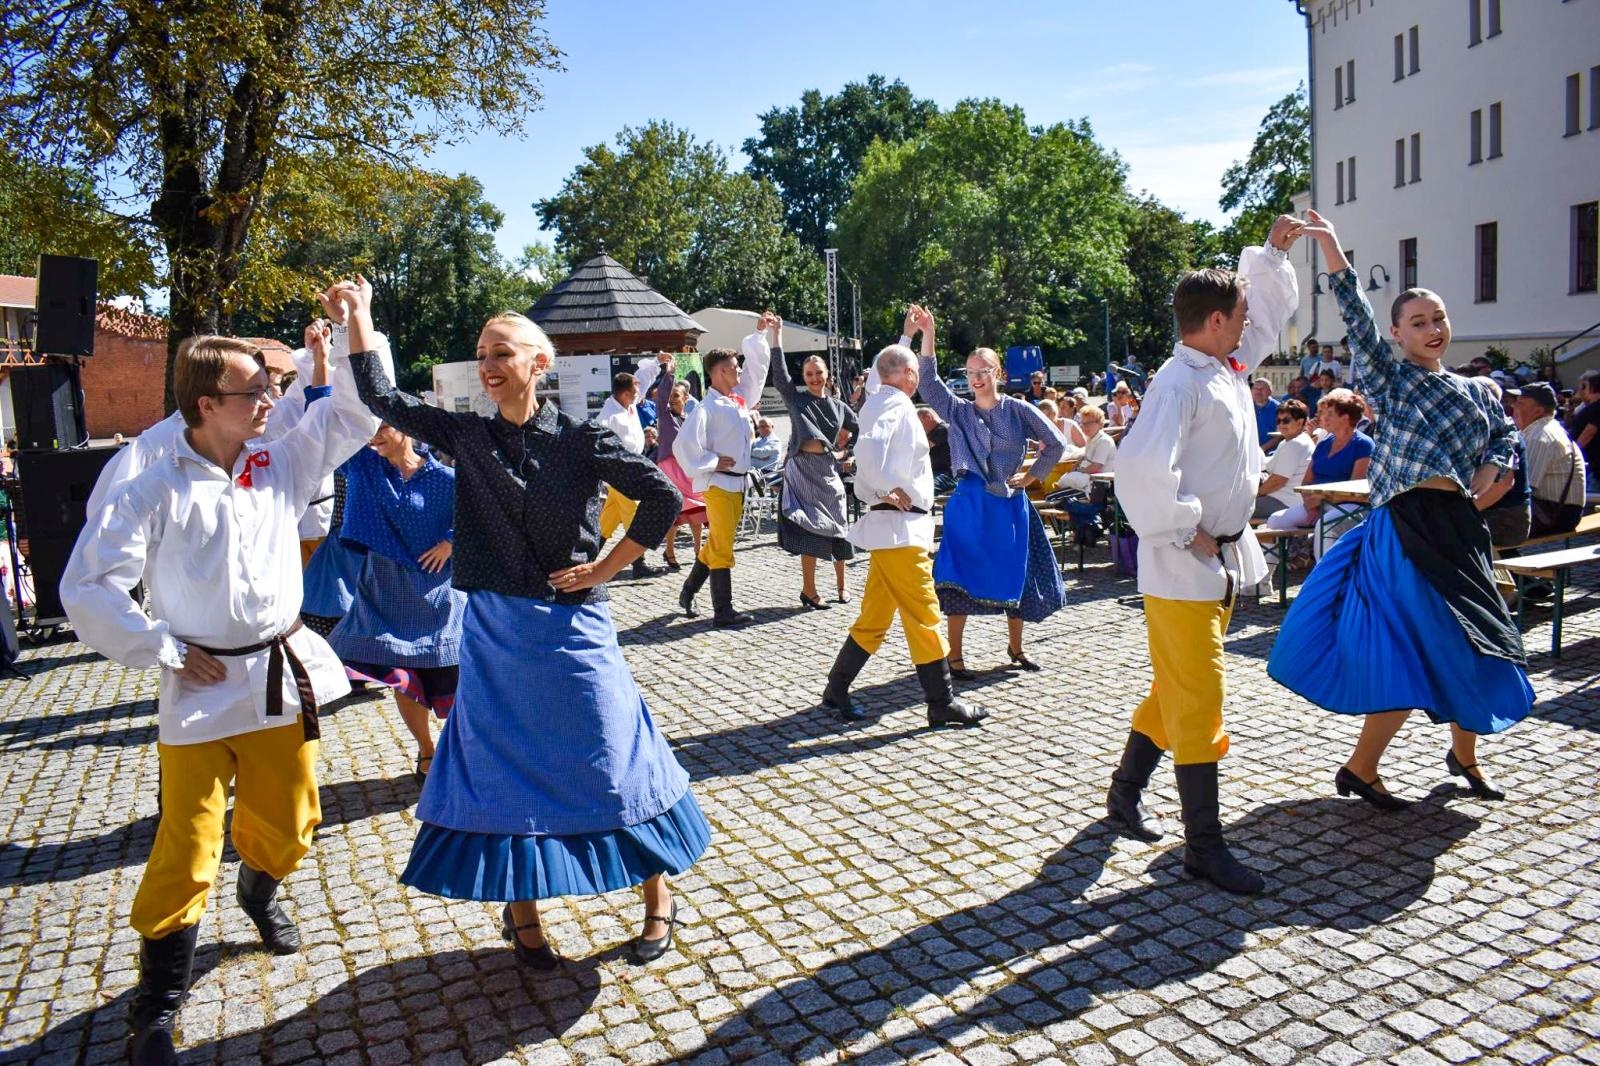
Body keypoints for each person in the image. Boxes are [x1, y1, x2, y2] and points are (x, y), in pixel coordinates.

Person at [60, 296, 393, 1063]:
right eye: (256, 392)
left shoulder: (281, 455)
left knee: (291, 827)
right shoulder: (151, 478)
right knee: (189, 840)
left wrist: (356, 325)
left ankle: (259, 889)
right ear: (209, 404)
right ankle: (157, 1006)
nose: (272, 400)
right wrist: (161, 646)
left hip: (278, 673)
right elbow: (90, 583)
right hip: (201, 686)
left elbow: (354, 411)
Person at [343, 284, 711, 970]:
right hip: (491, 631)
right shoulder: (467, 435)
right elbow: (384, 400)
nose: (487, 363)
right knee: (504, 770)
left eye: (501, 351)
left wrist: (608, 565)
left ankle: (658, 897)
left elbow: (661, 496)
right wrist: (360, 320)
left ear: (538, 363)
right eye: (481, 353)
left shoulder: (580, 439)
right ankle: (524, 918)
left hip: (573, 628)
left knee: (614, 756)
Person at [1268, 211, 1534, 811]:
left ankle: (1463, 755)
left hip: (1458, 530)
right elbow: (1356, 316)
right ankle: (1362, 768)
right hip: (1404, 529)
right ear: (1398, 335)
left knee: (1477, 640)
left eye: (1438, 318)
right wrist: (1333, 249)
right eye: (1418, 322)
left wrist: (1487, 477)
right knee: (1411, 645)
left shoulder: (1474, 391)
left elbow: (1504, 437)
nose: (1432, 328)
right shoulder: (1390, 381)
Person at [1108, 215, 1302, 896]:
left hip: (1212, 561)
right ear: (1216, 321)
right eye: (1239, 314)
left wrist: (1273, 253)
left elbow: (1266, 314)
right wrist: (1187, 525)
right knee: (1202, 699)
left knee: (1179, 689)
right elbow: (1136, 471)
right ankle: (1205, 845)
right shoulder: (1179, 382)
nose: (1248, 325)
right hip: (1182, 565)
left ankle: (1124, 792)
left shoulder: (1219, 365)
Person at [819, 342, 988, 728]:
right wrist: (881, 487)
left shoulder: (881, 398)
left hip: (893, 531)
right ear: (909, 376)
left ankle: (836, 688)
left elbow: (887, 365)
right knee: (924, 613)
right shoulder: (894, 404)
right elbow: (872, 447)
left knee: (875, 617)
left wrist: (908, 337)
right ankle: (941, 701)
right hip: (899, 531)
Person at [907, 307, 1067, 676]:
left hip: (1009, 504)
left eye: (983, 371)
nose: (976, 378)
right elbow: (929, 384)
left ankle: (1016, 648)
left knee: (1018, 572)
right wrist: (927, 334)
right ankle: (956, 656)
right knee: (958, 575)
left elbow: (1055, 443)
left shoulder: (1018, 410)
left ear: (999, 373)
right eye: (971, 371)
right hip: (969, 503)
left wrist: (1031, 477)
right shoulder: (958, 411)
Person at [325, 424, 465, 779]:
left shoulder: (447, 479)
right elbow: (329, 425)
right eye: (369, 428)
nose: (374, 435)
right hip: (383, 590)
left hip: (438, 594)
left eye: (383, 427)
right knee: (404, 679)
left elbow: (478, 515)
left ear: (407, 428)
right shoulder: (364, 467)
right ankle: (427, 750)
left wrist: (450, 541)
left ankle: (460, 750)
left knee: (454, 682)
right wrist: (324, 367)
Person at [759, 314, 858, 609]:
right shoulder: (796, 400)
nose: (814, 378)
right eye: (809, 374)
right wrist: (776, 336)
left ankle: (843, 587)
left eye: (819, 372)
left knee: (839, 526)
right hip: (802, 469)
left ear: (827, 374)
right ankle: (809, 591)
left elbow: (858, 430)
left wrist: (846, 453)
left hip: (828, 470)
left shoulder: (840, 407)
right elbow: (778, 374)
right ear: (804, 378)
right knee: (811, 530)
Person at [671, 340, 771, 627]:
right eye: (733, 369)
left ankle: (688, 591)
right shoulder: (707, 407)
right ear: (719, 373)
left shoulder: (733, 401)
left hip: (736, 484)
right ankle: (722, 611)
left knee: (717, 542)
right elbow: (683, 445)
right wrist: (712, 461)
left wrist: (760, 336)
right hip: (720, 485)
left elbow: (756, 377)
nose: (738, 373)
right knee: (723, 546)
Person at [1264, 390, 1374, 557]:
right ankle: (1265, 581)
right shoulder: (1324, 444)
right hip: (1318, 503)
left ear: (1345, 418)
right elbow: (1307, 481)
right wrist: (1311, 505)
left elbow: (1355, 488)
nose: (1323, 417)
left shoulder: (1363, 444)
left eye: (1330, 414)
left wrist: (1320, 501)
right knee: (1275, 521)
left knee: (1326, 524)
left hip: (1350, 506)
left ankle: (1323, 580)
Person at [597, 372, 670, 580]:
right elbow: (598, 440)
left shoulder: (627, 405)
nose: (639, 395)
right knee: (636, 516)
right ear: (625, 393)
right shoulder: (609, 415)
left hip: (632, 466)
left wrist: (656, 364)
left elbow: (643, 382)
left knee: (607, 521)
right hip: (620, 472)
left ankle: (585, 557)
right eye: (635, 393)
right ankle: (639, 564)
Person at [637, 359, 707, 571]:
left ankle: (698, 552)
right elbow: (663, 394)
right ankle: (670, 550)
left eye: (677, 396)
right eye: (670, 397)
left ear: (686, 398)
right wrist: (669, 374)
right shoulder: (665, 416)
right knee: (675, 513)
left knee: (696, 512)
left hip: (688, 469)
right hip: (670, 469)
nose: (672, 400)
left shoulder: (690, 419)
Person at [1512, 382, 1587, 537]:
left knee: (1477, 523)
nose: (1514, 406)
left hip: (1554, 515)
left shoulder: (1540, 436)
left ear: (1538, 411)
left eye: (1520, 403)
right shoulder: (1543, 429)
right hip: (1558, 511)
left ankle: (1506, 558)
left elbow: (1522, 487)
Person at [1474, 378, 1531, 549]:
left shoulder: (1502, 431)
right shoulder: (1481, 429)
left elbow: (1504, 484)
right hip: (1495, 512)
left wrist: (1462, 513)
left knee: (1440, 535)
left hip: (1507, 519)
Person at [1254, 399, 1314, 519]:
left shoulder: (1295, 444)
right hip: (1284, 500)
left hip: (1284, 503)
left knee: (1231, 507)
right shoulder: (1292, 441)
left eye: (1286, 421)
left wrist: (1256, 494)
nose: (1281, 425)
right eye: (1278, 421)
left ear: (1300, 422)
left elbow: (1278, 481)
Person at [1053, 404, 1115, 493]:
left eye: (1088, 423)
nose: (1084, 426)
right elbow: (1086, 457)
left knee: (1066, 482)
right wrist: (1076, 466)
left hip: (1099, 483)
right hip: (1089, 478)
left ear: (1100, 424)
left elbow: (1096, 466)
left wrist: (1079, 471)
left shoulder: (1104, 441)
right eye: (1082, 423)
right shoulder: (1090, 438)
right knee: (1065, 479)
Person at [1567, 369, 1600, 493]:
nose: (1579, 389)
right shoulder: (1587, 407)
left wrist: (1572, 455)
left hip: (1595, 468)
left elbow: (1589, 433)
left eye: (1582, 386)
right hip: (1590, 464)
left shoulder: (1597, 408)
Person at [917, 405, 956, 494]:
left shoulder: (942, 429)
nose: (918, 426)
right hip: (936, 472)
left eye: (919, 422)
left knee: (926, 490)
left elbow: (921, 448)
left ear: (928, 418)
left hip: (946, 473)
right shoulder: (933, 432)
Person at [1251, 378, 1280, 448]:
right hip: (1250, 449)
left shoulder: (1279, 408)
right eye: (1256, 388)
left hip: (1272, 451)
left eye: (1262, 389)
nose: (1258, 391)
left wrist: (1261, 450)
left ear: (1270, 392)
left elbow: (1280, 435)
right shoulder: (1246, 406)